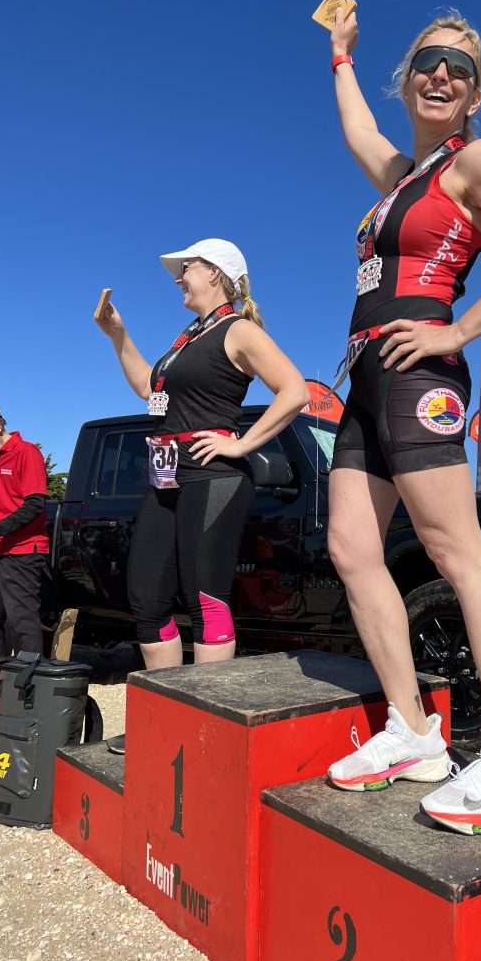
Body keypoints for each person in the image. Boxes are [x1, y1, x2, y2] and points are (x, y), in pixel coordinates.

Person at [324, 12, 481, 834]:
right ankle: (412, 732)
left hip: (418, 368)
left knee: (455, 550)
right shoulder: (406, 175)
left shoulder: (474, 158)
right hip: (366, 375)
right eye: (428, 62)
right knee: (352, 549)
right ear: (407, 80)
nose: (442, 75)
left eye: (460, 68)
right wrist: (340, 54)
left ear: (474, 95)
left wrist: (459, 330)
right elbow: (359, 130)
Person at [95, 239, 308, 753]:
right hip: (166, 477)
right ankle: (163, 722)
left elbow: (295, 391)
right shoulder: (187, 340)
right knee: (147, 598)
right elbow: (148, 389)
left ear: (215, 273)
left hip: (214, 477)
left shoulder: (239, 330)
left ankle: (201, 731)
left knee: (205, 598)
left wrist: (243, 443)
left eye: (185, 268)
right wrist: (118, 334)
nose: (177, 278)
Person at [0, 406, 50, 710]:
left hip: (23, 551)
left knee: (22, 623)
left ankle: (30, 696)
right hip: (0, 550)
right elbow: (4, 502)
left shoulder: (26, 452)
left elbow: (34, 505)